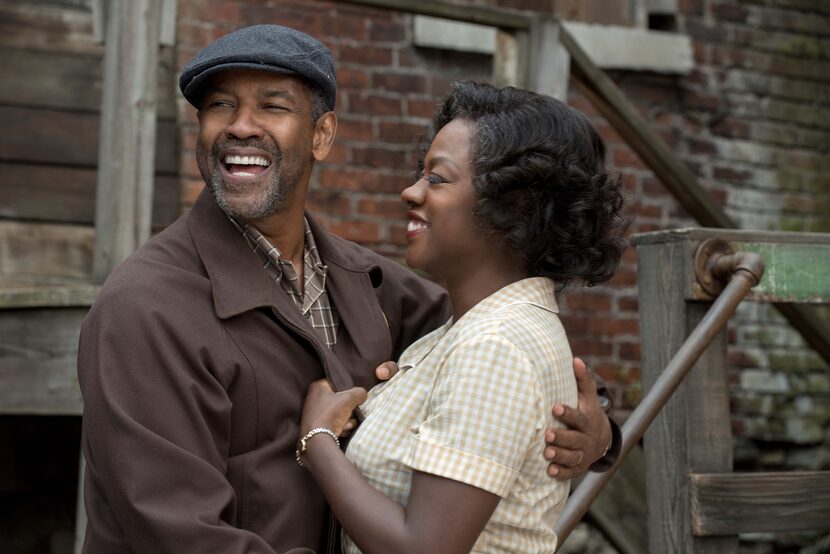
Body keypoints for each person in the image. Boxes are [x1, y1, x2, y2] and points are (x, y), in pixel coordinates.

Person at [77, 25, 617, 553]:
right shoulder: (146, 307)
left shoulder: (372, 285)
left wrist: (599, 434)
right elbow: (178, 532)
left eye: (272, 106)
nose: (240, 126)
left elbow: (504, 358)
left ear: (321, 135)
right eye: (219, 106)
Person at [296, 81, 628, 553]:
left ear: (511, 204)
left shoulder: (494, 345)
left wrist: (318, 440)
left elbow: (425, 548)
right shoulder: (467, 331)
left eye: (437, 178)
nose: (410, 192)